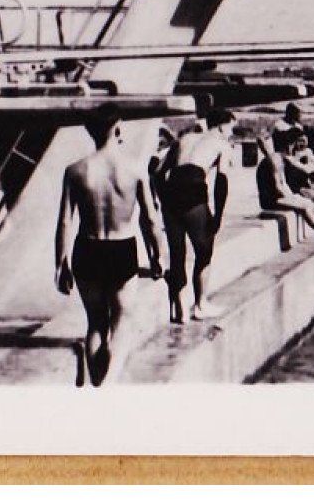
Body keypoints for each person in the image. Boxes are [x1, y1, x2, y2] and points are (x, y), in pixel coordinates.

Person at [55, 108, 163, 387]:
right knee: (121, 325)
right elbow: (150, 219)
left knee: (95, 324)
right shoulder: (135, 169)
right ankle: (108, 386)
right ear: (117, 128)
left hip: (87, 249)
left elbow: (65, 222)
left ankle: (96, 385)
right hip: (121, 249)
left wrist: (60, 264)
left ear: (90, 131)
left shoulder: (75, 170)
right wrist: (158, 255)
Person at [153, 108, 234, 323]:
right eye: (231, 128)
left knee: (177, 254)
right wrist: (218, 215)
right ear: (221, 125)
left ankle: (179, 312)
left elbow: (159, 173)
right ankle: (200, 305)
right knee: (204, 251)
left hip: (171, 192)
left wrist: (163, 199)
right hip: (193, 190)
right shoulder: (221, 145)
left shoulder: (185, 138)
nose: (231, 133)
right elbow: (221, 182)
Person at [254, 135, 314, 245]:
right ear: (289, 145)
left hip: (278, 197)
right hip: (270, 201)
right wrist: (293, 198)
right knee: (305, 207)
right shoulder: (275, 160)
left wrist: (294, 196)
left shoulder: (279, 158)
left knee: (311, 205)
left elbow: (283, 184)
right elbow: (278, 187)